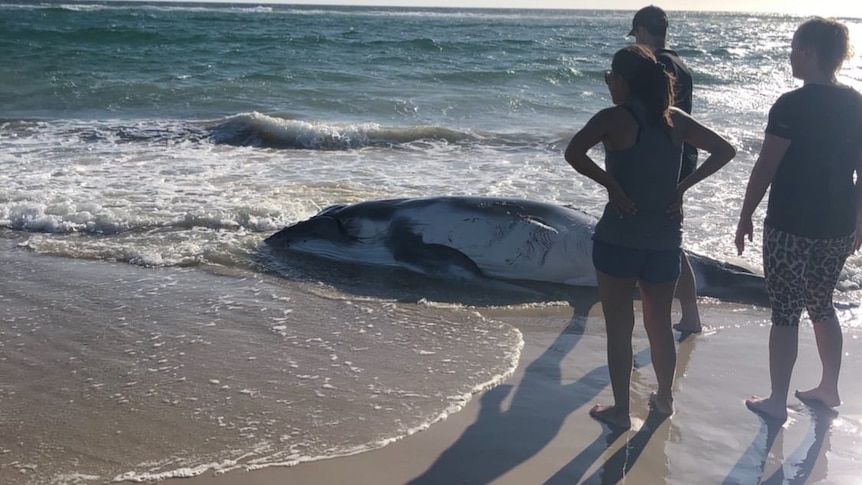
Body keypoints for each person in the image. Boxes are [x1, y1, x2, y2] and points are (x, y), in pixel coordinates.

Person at [565, 45, 736, 429]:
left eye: (610, 77)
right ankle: (663, 399)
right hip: (664, 241)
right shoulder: (674, 119)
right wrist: (682, 187)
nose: (608, 84)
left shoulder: (612, 118)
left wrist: (611, 184)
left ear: (624, 82)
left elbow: (573, 153)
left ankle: (622, 412)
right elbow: (726, 150)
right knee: (659, 325)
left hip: (618, 238)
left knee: (619, 328)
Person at [735, 17, 862, 422]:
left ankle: (776, 400)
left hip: (791, 223)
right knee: (821, 302)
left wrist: (745, 214)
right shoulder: (856, 103)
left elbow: (766, 165)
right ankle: (829, 387)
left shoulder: (791, 105)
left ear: (809, 52)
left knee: (786, 311)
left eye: (794, 47)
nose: (790, 55)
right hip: (838, 223)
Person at [628, 5, 702, 334]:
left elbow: (644, 117)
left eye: (637, 35)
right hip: (682, 158)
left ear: (643, 31)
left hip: (661, 162)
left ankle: (679, 313)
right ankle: (686, 312)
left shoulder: (655, 64)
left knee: (665, 240)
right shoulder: (681, 64)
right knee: (669, 236)